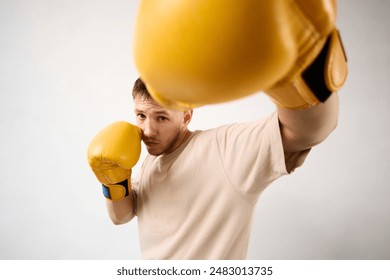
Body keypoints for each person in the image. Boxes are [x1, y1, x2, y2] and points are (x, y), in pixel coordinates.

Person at [100, 77, 339, 259]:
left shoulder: (222, 149)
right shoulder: (152, 159)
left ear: (186, 117)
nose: (148, 131)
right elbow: (122, 215)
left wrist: (295, 71)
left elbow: (308, 130)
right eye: (141, 115)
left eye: (161, 118)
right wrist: (112, 179)